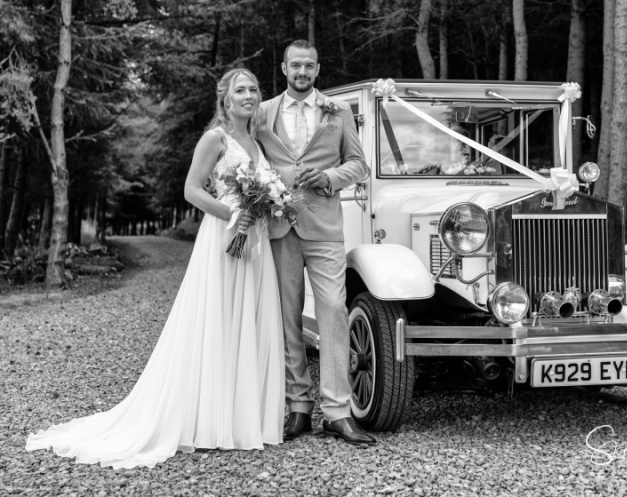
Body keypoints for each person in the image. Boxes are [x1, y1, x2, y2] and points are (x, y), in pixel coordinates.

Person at [26, 68, 285, 469]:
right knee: (216, 323)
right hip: (224, 239)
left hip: (255, 245)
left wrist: (264, 206)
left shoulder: (256, 139)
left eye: (253, 89)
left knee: (247, 323)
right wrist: (232, 214)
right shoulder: (215, 138)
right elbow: (191, 189)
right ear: (225, 99)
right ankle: (206, 420)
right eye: (240, 90)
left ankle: (240, 419)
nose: (249, 96)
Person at [257, 40, 373, 445]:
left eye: (309, 66)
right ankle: (299, 407)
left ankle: (338, 412)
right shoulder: (263, 112)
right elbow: (248, 158)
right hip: (278, 227)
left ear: (318, 69)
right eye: (295, 66)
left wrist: (329, 179)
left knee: (334, 312)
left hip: (324, 227)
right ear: (285, 68)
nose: (302, 72)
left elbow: (359, 164)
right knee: (287, 317)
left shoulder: (337, 111)